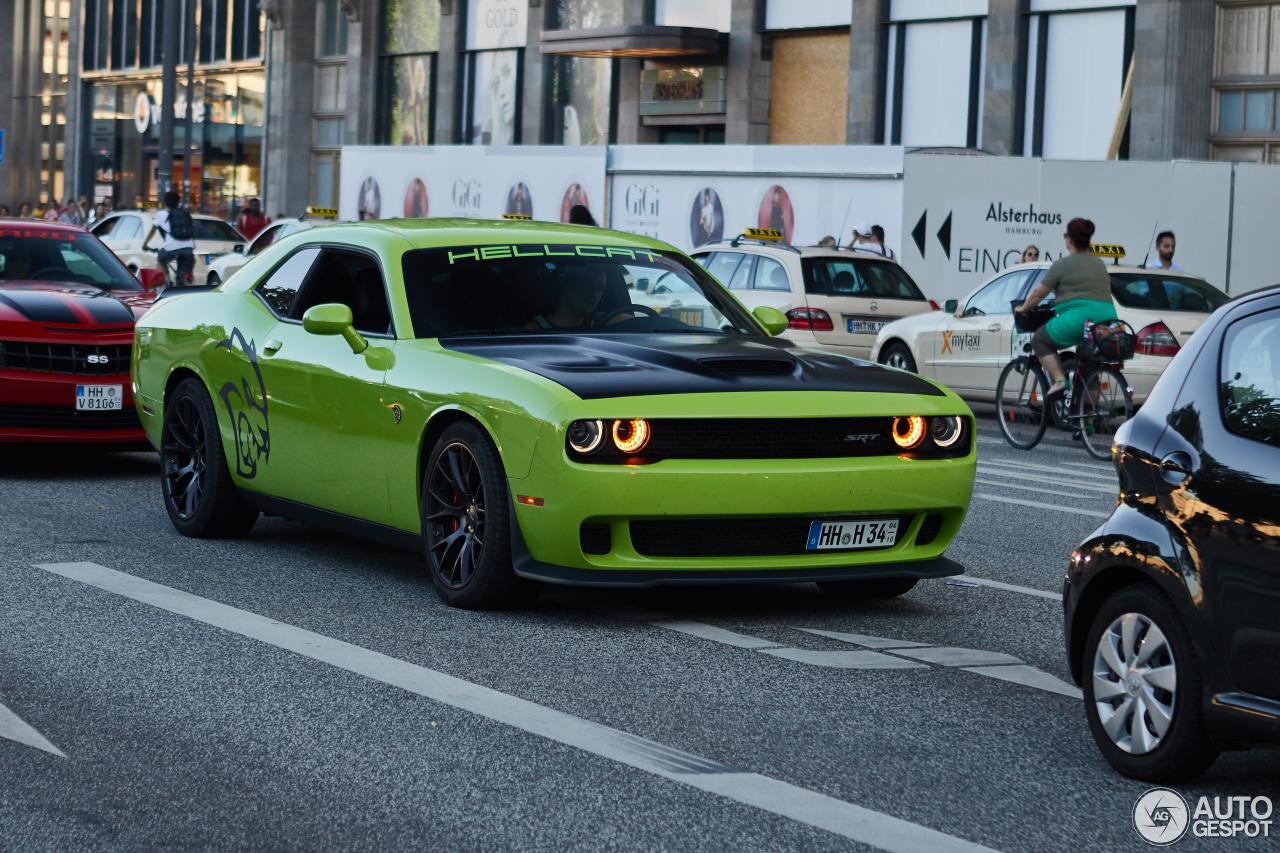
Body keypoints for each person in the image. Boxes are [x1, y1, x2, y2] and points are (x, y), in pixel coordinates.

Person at [1015, 217, 1117, 400]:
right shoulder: (1099, 264)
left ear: (1069, 239)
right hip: (1108, 321)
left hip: (1080, 319)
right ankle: (1088, 420)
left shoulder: (1062, 265)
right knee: (1090, 367)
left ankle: (1060, 380)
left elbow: (1039, 293)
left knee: (1040, 340)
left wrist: (1023, 309)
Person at [527, 265, 609, 329]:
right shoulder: (532, 333)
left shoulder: (605, 322)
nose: (594, 294)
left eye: (600, 288)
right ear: (567, 285)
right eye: (586, 285)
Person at [143, 190, 196, 286]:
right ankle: (187, 281)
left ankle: (166, 281)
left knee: (160, 258)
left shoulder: (160, 214)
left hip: (171, 248)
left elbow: (152, 231)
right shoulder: (184, 213)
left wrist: (145, 244)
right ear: (178, 202)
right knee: (185, 273)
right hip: (189, 248)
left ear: (165, 202)